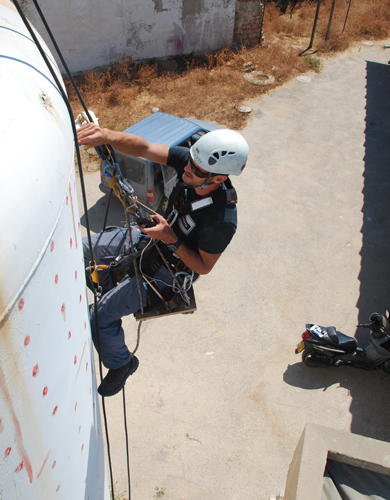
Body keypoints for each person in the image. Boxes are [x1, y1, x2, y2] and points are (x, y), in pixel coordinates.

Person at [77, 122, 249, 396]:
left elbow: (203, 267)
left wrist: (171, 238)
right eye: (190, 160)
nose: (187, 169)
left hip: (170, 270)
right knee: (80, 249)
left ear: (218, 179)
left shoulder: (221, 220)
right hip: (155, 237)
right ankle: (110, 287)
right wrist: (106, 135)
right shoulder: (194, 163)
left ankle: (122, 363)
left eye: (197, 170)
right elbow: (143, 147)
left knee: (98, 316)